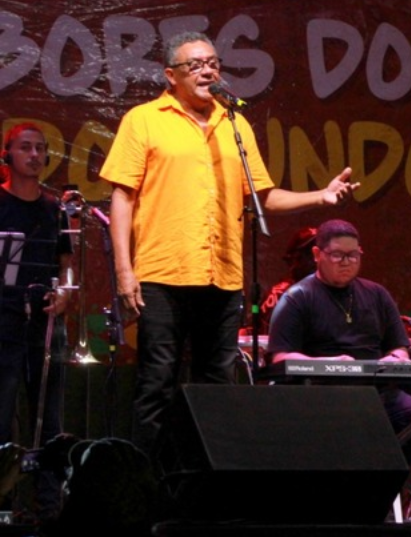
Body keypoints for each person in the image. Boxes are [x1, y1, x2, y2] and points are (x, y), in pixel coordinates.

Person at [99, 31, 361, 457]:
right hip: (163, 274)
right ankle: (147, 483)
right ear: (171, 76)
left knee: (216, 387)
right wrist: (124, 272)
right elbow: (122, 197)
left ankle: (207, 485)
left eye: (213, 63)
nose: (207, 71)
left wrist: (321, 196)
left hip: (221, 276)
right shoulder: (144, 120)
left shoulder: (234, 124)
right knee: (157, 383)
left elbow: (262, 197)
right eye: (195, 65)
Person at [265, 219, 411, 457]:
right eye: (337, 255)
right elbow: (280, 358)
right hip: (322, 397)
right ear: (317, 254)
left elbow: (399, 347)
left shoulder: (377, 294)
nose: (346, 262)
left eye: (353, 255)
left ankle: (390, 475)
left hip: (378, 395)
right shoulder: (297, 297)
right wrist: (328, 364)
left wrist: (395, 358)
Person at [0, 123, 72, 521]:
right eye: (25, 147)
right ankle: (3, 503)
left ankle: (49, 506)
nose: (34, 155)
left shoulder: (54, 208)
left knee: (49, 417)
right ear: (7, 155)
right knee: (2, 413)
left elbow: (66, 263)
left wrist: (65, 293)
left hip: (44, 320)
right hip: (4, 319)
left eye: (40, 148)